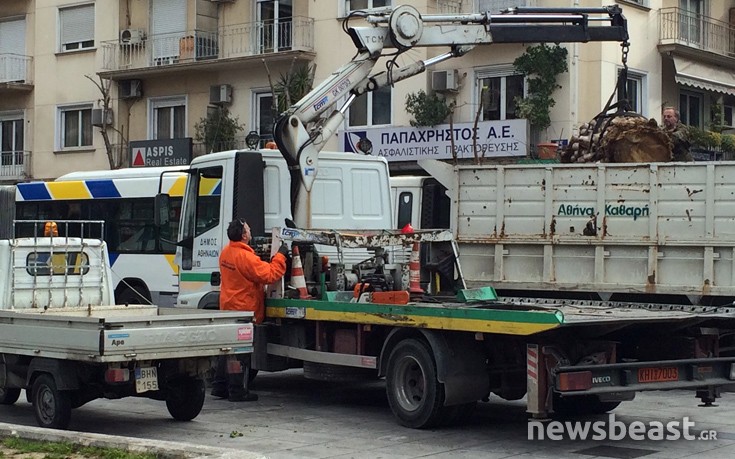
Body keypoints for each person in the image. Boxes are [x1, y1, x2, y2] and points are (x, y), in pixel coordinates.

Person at [211, 219, 289, 402]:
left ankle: (219, 386)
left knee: (227, 350)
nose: (251, 230)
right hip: (244, 310)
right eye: (248, 228)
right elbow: (270, 274)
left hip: (229, 306)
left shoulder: (226, 253)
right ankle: (237, 390)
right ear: (244, 235)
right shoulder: (245, 257)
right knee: (240, 354)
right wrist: (281, 256)